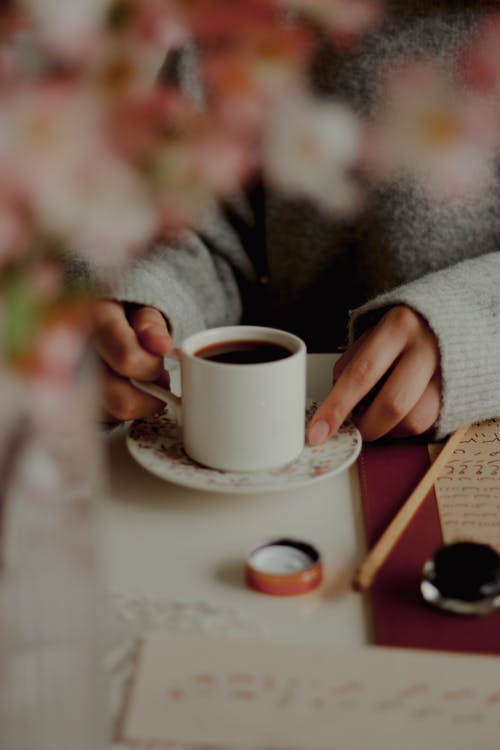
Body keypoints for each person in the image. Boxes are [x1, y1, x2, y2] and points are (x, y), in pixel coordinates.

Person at [92, 1, 500, 444]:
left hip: (462, 453)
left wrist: (476, 336)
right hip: (259, 443)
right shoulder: (235, 21)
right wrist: (142, 302)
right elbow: (204, 226)